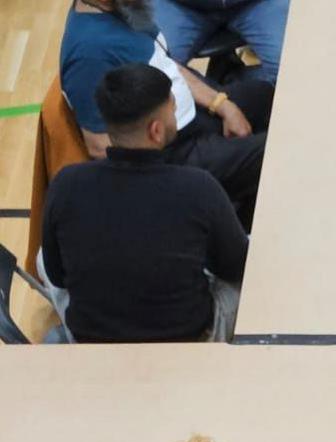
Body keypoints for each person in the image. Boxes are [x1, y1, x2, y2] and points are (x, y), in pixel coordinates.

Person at [40, 63, 247, 343]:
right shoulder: (198, 187)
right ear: (156, 131)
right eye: (173, 110)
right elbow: (235, 267)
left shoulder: (65, 184)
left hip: (94, 343)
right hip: (187, 340)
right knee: (250, 262)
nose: (176, 116)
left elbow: (57, 275)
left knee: (43, 257)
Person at [60, 0, 271, 229]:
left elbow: (167, 64)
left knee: (268, 97)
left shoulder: (124, 8)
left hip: (188, 114)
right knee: (273, 154)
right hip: (175, 153)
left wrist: (222, 105)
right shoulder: (88, 55)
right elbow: (100, 147)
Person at [151, 0, 291, 85]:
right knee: (153, 75)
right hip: (180, 6)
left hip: (258, 4)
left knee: (295, 72)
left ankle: (238, 83)